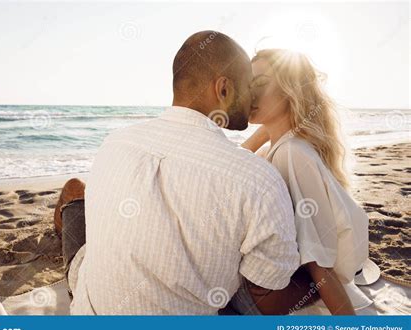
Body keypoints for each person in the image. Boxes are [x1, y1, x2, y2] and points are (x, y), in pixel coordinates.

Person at [54, 32, 319, 315]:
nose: (253, 96)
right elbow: (266, 297)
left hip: (88, 308)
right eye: (249, 86)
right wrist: (313, 284)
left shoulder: (115, 141)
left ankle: (60, 230)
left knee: (74, 189)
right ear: (224, 89)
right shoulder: (259, 181)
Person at [242, 49, 373, 315]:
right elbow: (235, 161)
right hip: (290, 281)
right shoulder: (283, 147)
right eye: (247, 85)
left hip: (288, 290)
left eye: (260, 83)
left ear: (291, 91)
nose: (249, 95)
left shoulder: (291, 153)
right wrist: (268, 129)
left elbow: (318, 261)